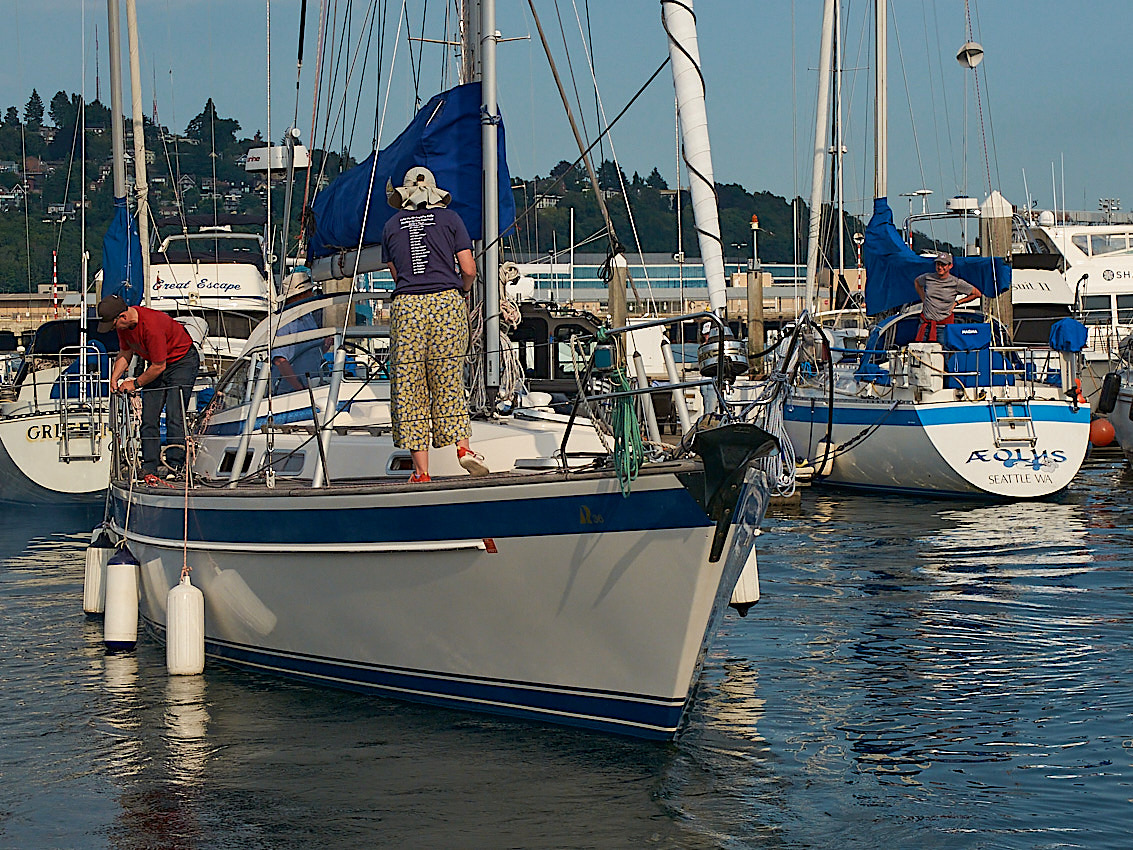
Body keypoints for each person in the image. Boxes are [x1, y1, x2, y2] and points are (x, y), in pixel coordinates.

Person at [381, 165, 488, 483]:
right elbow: (468, 269)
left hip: (408, 307)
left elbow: (397, 275)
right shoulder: (452, 219)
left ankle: (421, 472)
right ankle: (463, 450)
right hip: (446, 302)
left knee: (409, 387)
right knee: (448, 378)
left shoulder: (390, 226)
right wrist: (462, 291)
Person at [99, 294, 200, 484]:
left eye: (113, 325)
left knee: (174, 414)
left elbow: (158, 366)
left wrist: (135, 383)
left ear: (123, 317)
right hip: (156, 365)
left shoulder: (152, 326)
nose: (113, 329)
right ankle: (150, 465)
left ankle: (175, 465)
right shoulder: (124, 328)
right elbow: (125, 352)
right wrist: (114, 377)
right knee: (149, 417)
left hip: (181, 363)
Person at [270, 267, 326, 393]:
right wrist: (299, 387)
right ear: (299, 296)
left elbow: (310, 351)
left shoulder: (308, 316)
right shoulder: (283, 322)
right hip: (290, 392)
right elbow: (280, 360)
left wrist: (325, 345)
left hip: (312, 385)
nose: (312, 295)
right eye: (309, 292)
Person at [913, 251, 982, 342]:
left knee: (943, 354)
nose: (940, 267)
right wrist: (923, 298)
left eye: (943, 265)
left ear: (950, 266)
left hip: (943, 328)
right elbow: (917, 282)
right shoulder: (928, 277)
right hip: (925, 325)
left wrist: (957, 303)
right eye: (938, 264)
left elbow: (977, 294)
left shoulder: (956, 282)